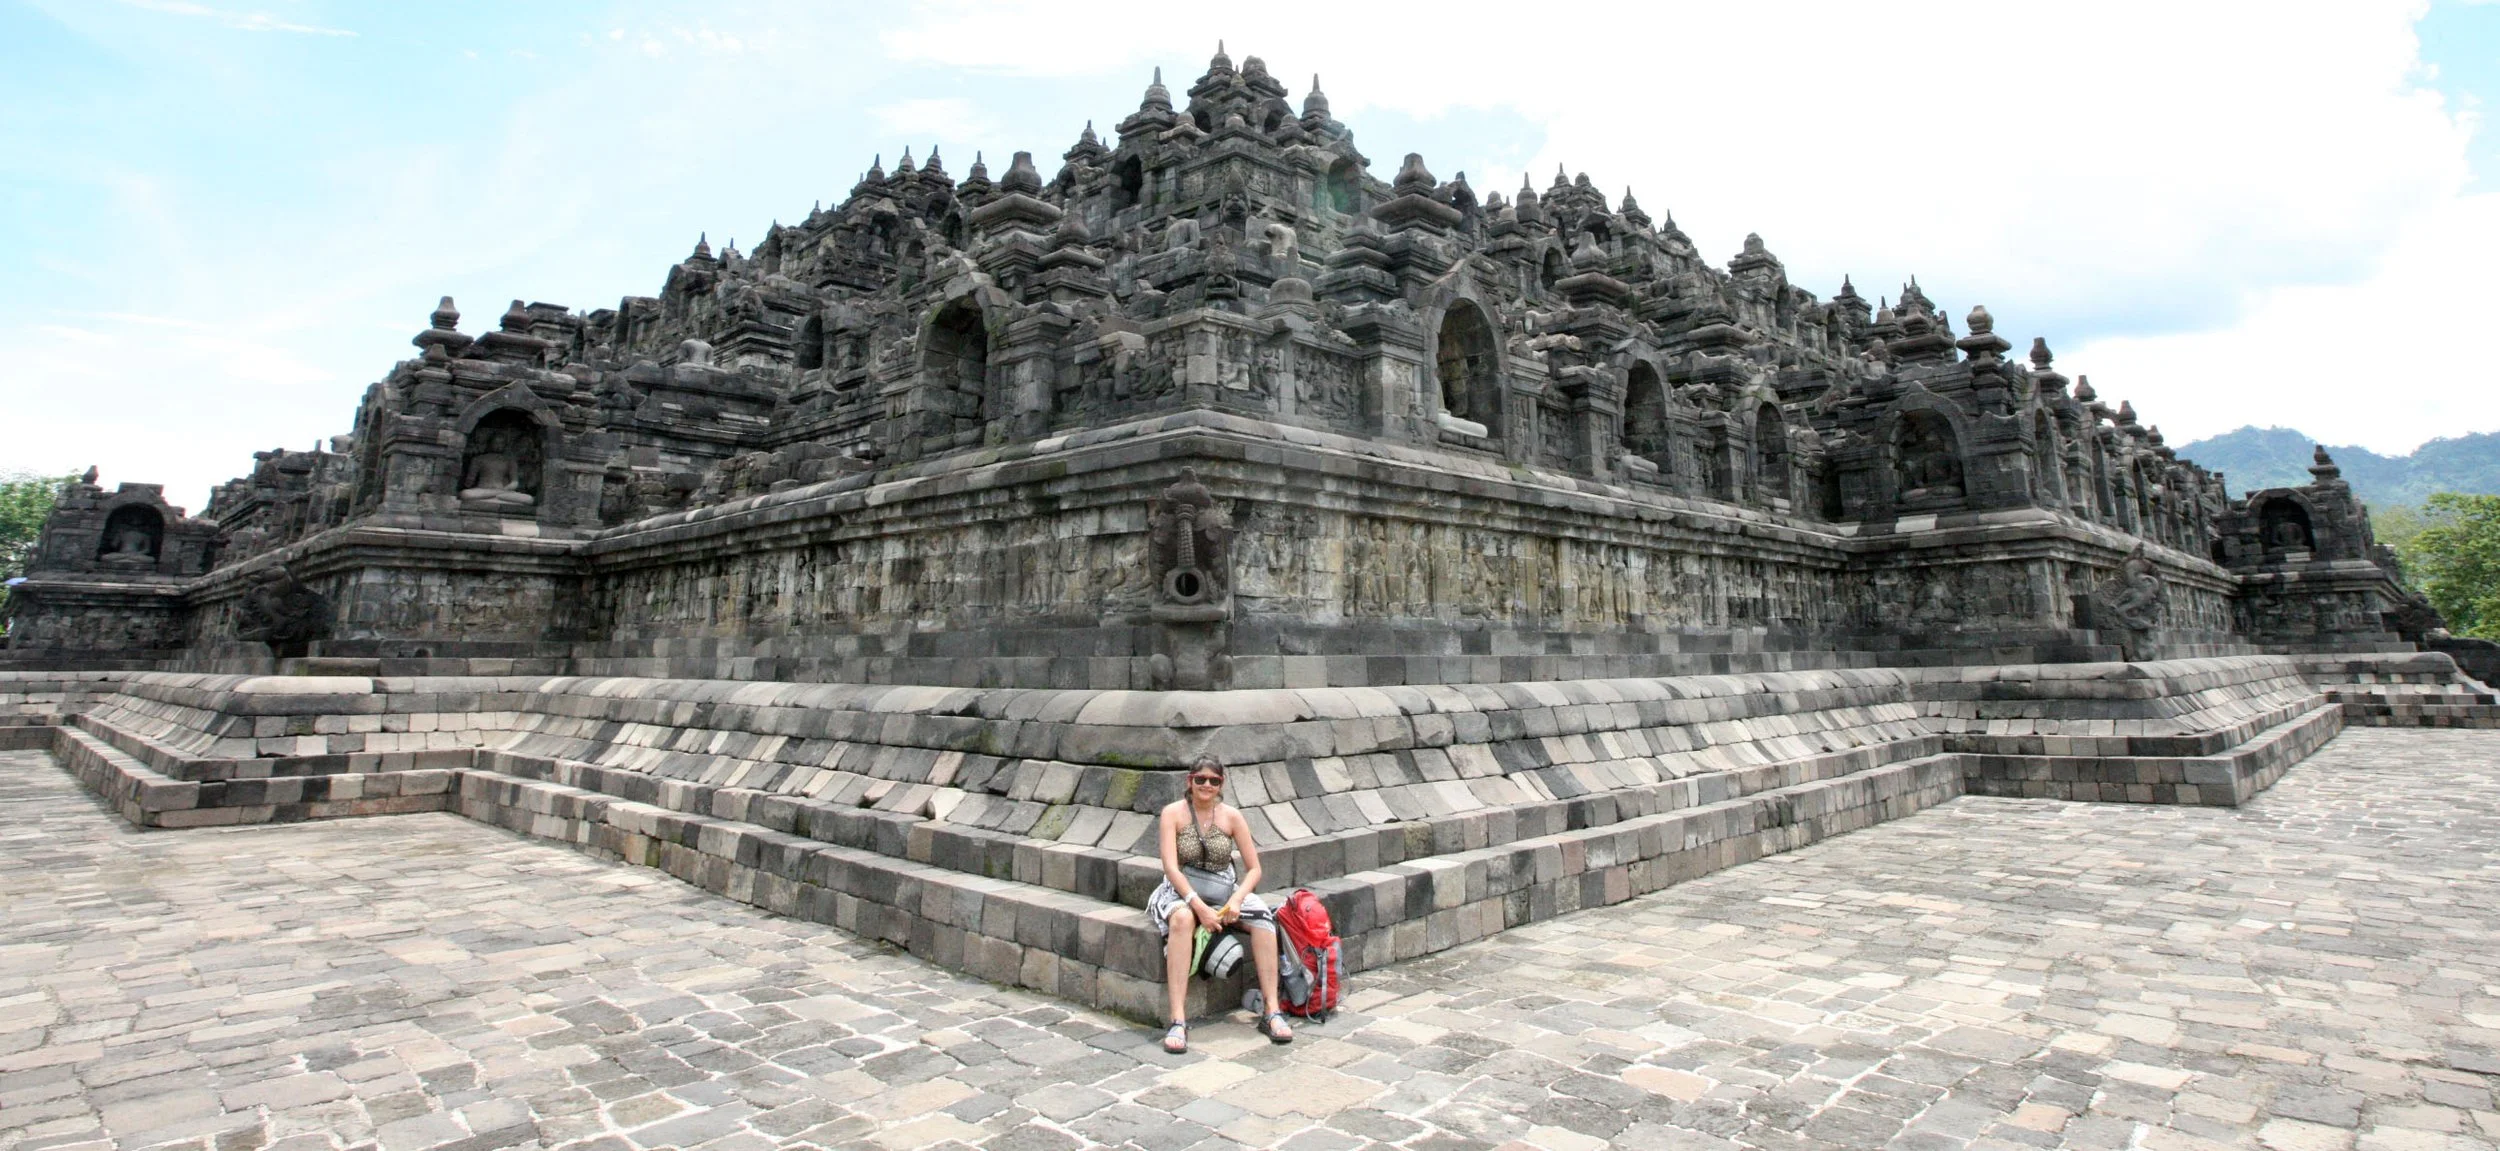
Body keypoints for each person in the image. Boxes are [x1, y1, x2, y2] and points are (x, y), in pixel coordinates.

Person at [1150, 755, 1291, 1053]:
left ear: (1221, 784)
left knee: (1265, 920)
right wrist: (1198, 907)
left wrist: (1237, 900)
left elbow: (1254, 868)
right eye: (1200, 779)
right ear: (1189, 781)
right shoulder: (1173, 814)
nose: (1206, 785)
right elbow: (1171, 867)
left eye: (1213, 781)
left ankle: (1271, 1009)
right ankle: (1178, 1018)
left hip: (1224, 889)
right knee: (1182, 921)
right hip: (1182, 889)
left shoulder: (1231, 817)